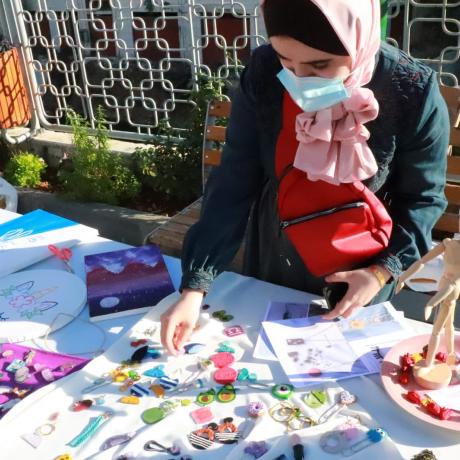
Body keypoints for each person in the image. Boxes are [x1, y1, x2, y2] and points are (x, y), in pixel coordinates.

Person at [160, 0, 449, 355]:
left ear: (357, 40)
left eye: (319, 65)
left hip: (362, 266)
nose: (299, 80)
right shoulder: (265, 72)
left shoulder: (411, 90)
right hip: (278, 245)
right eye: (287, 61)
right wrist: (195, 288)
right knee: (263, 358)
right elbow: (235, 178)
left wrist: (380, 273)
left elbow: (423, 199)